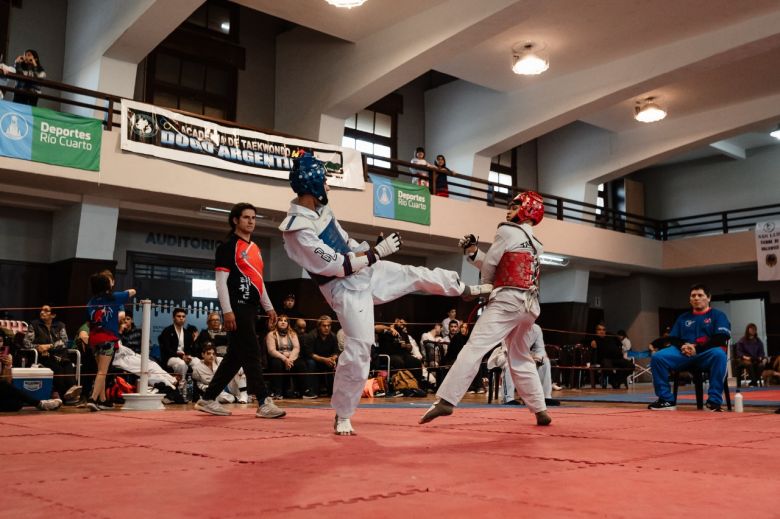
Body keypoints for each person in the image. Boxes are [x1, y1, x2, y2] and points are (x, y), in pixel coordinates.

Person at [279, 152, 485, 435]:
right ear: (313, 183)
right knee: (360, 349)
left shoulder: (322, 211)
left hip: (363, 270)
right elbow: (339, 266)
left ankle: (462, 288)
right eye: (324, 180)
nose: (327, 186)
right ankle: (342, 413)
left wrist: (368, 251)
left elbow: (346, 243)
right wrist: (377, 253)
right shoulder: (297, 230)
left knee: (413, 274)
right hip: (344, 289)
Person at [420, 191, 552, 426]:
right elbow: (504, 264)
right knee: (520, 356)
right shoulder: (538, 245)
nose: (508, 210)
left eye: (514, 205)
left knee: (474, 347)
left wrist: (481, 288)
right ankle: (540, 409)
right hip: (530, 307)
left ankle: (447, 401)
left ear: (527, 208)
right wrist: (473, 252)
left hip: (508, 300)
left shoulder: (506, 230)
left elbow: (492, 265)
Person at [194, 202, 285, 419]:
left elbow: (258, 281)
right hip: (236, 308)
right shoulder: (227, 247)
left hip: (251, 308)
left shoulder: (255, 250)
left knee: (235, 357)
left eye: (254, 217)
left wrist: (269, 307)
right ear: (235, 220)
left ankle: (208, 398)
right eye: (246, 217)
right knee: (252, 351)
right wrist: (227, 311)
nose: (251, 221)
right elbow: (220, 282)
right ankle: (263, 401)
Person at [648, 284, 730, 411]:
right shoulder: (683, 317)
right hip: (683, 354)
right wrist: (684, 347)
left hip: (705, 354)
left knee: (720, 355)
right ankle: (666, 400)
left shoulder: (718, 315)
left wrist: (697, 349)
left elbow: (720, 338)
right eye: (693, 296)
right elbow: (674, 338)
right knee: (658, 357)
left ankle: (713, 402)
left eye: (700, 295)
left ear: (708, 298)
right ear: (690, 299)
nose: (696, 298)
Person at [86, 271, 136, 411]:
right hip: (107, 338)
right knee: (103, 371)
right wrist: (123, 292)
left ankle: (102, 400)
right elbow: (132, 291)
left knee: (100, 371)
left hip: (94, 339)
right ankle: (93, 399)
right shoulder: (114, 298)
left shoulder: (91, 302)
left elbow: (90, 321)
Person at [23, 305, 81, 404]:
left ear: (53, 315)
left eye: (46, 311)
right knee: (57, 367)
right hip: (43, 357)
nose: (42, 312)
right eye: (41, 310)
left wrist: (49, 346)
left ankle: (72, 393)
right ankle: (64, 395)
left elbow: (65, 341)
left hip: (59, 355)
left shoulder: (60, 325)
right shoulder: (34, 325)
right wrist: (39, 347)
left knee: (67, 365)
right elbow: (26, 343)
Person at [266, 314, 309, 399]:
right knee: (276, 363)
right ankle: (277, 392)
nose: (283, 322)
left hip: (291, 358)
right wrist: (285, 359)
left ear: (288, 324)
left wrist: (290, 360)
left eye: (285, 321)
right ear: (276, 322)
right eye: (280, 320)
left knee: (301, 364)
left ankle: (305, 391)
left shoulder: (292, 334)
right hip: (278, 358)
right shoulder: (271, 334)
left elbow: (296, 348)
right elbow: (271, 351)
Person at [301, 315, 340, 397]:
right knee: (311, 363)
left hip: (327, 359)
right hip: (313, 359)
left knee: (338, 361)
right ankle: (310, 390)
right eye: (324, 326)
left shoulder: (333, 336)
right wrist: (324, 360)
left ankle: (334, 391)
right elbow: (310, 354)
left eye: (328, 326)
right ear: (319, 326)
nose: (327, 328)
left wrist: (333, 358)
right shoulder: (311, 336)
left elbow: (336, 351)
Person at [158, 308, 200, 379]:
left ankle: (196, 384)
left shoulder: (187, 333)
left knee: (198, 362)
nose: (181, 318)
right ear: (173, 318)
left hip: (185, 356)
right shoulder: (167, 331)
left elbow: (190, 349)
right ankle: (182, 385)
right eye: (179, 316)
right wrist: (181, 357)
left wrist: (188, 356)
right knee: (181, 364)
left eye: (183, 316)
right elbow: (166, 349)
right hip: (171, 357)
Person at [589, 323, 632, 389]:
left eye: (603, 330)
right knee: (607, 367)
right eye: (599, 330)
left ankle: (617, 380)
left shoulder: (610, 336)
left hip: (617, 358)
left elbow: (620, 344)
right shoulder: (594, 338)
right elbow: (585, 341)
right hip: (605, 359)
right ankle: (614, 381)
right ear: (596, 331)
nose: (602, 331)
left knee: (631, 366)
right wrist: (592, 342)